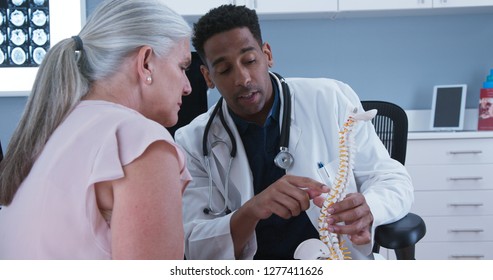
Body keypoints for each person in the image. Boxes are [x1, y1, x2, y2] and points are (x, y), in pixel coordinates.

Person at [174, 4, 414, 260]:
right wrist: (253, 209)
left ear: (267, 54)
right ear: (207, 76)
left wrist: (370, 208)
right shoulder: (192, 141)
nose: (242, 78)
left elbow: (390, 178)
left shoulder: (330, 99)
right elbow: (195, 244)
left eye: (250, 60)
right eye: (224, 69)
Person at [0, 0, 192, 259]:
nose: (187, 87)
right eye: (182, 67)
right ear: (146, 62)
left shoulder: (51, 132)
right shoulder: (141, 143)